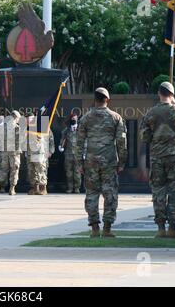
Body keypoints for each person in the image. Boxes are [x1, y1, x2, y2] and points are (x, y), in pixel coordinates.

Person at [140, 82, 175, 239]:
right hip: (174, 157)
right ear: (172, 94)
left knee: (158, 191)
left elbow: (144, 137)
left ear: (159, 93)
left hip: (157, 157)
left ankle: (161, 228)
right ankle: (172, 228)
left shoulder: (151, 113)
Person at [75, 87, 127, 238]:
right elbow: (121, 141)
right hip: (109, 162)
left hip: (90, 162)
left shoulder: (85, 118)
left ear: (95, 100)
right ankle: (107, 228)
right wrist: (122, 162)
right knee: (110, 193)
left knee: (91, 194)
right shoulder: (116, 117)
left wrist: (79, 163)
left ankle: (94, 228)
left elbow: (79, 143)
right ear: (107, 100)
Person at [0, 110, 23, 196]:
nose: (18, 120)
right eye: (18, 118)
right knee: (14, 170)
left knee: (3, 169)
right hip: (14, 152)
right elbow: (19, 141)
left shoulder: (1, 127)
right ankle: (12, 189)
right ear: (15, 117)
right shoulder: (17, 127)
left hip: (4, 151)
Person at [60, 114, 82, 193]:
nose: (74, 119)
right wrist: (61, 146)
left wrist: (84, 152)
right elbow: (63, 139)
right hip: (68, 154)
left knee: (77, 172)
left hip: (77, 154)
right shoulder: (66, 130)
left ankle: (77, 188)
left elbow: (84, 141)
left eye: (75, 118)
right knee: (68, 172)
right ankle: (70, 188)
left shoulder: (80, 130)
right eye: (73, 118)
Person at [24, 112, 45, 195]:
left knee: (40, 170)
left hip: (37, 152)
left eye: (29, 119)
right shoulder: (26, 128)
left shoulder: (38, 127)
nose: (28, 120)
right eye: (27, 119)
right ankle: (35, 188)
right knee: (31, 171)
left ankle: (42, 187)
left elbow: (42, 139)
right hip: (29, 152)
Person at [41, 128, 55, 195]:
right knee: (34, 171)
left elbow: (51, 140)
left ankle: (43, 187)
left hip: (44, 152)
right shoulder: (33, 127)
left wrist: (51, 151)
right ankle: (35, 187)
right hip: (35, 152)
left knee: (44, 170)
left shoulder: (47, 128)